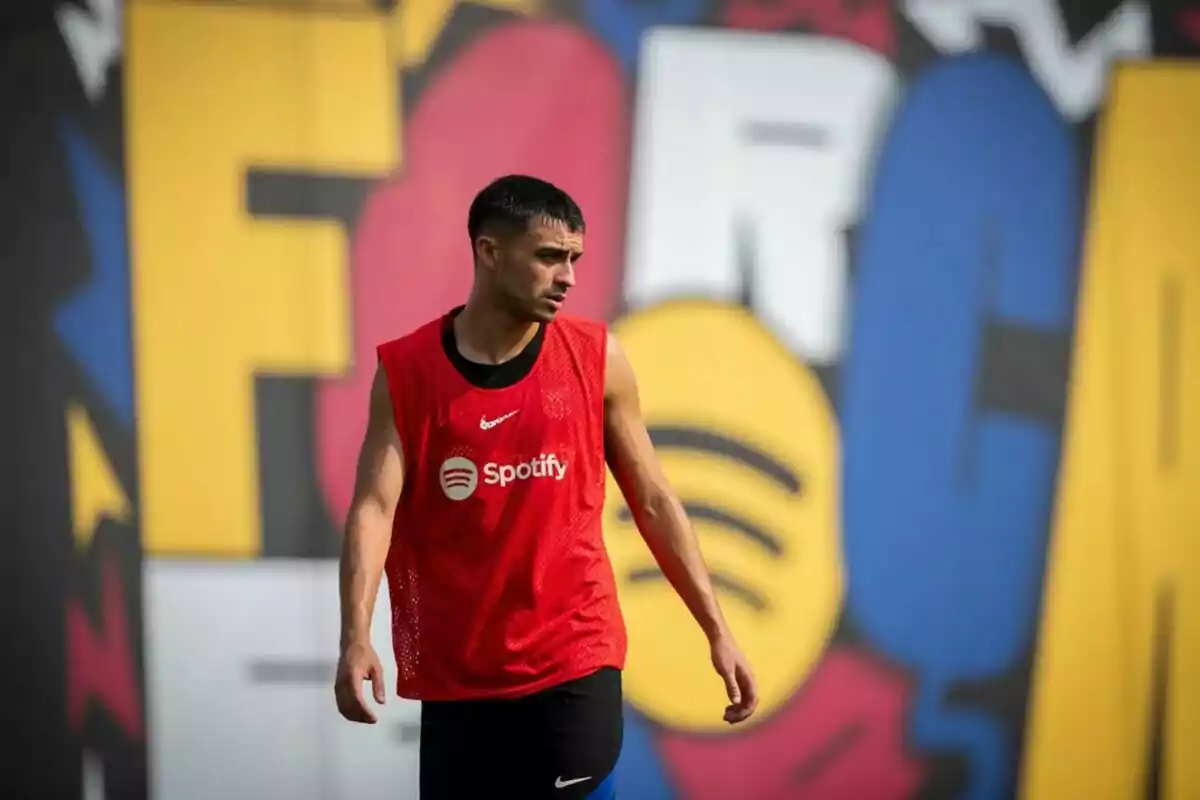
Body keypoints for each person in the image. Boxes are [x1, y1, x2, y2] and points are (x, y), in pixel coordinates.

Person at [334, 174, 758, 798]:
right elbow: (374, 509)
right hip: (459, 674)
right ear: (489, 252)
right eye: (549, 257)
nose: (569, 277)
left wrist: (717, 628)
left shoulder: (597, 358)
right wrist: (354, 637)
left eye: (575, 259)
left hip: (573, 659)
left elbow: (655, 499)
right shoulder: (407, 372)